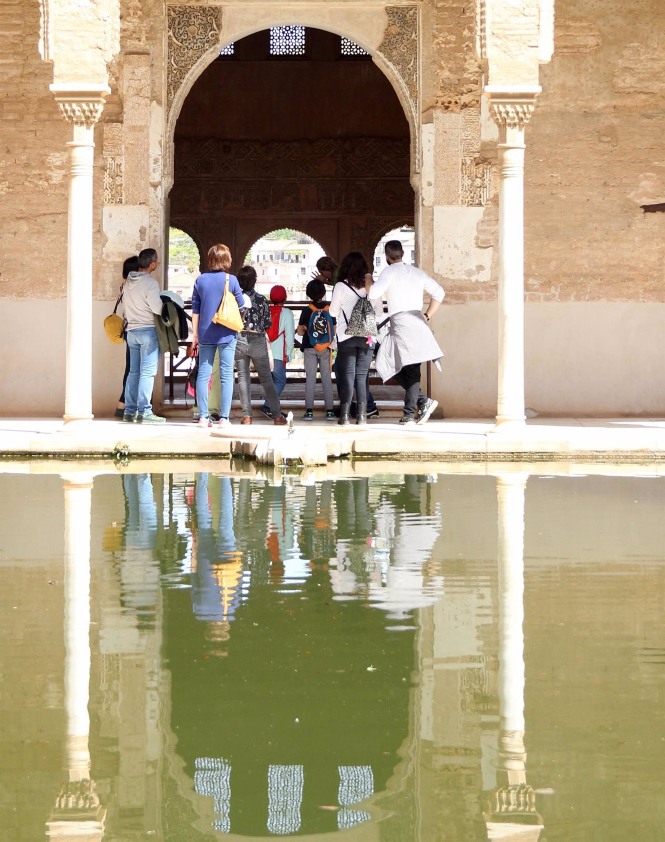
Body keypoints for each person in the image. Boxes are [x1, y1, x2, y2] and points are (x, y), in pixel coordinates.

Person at [367, 239, 444, 426]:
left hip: (401, 324)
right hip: (417, 321)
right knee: (410, 369)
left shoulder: (389, 272)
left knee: (392, 364)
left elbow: (372, 294)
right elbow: (439, 293)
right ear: (401, 253)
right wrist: (427, 315)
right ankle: (417, 406)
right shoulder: (417, 272)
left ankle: (412, 411)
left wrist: (368, 277)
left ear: (386, 256)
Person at [191, 243, 245, 428]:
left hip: (206, 332)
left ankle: (203, 417)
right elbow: (242, 304)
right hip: (227, 332)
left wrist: (195, 335)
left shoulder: (200, 280)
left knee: (203, 375)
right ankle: (224, 418)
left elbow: (195, 310)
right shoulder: (232, 280)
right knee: (226, 374)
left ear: (210, 259)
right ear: (226, 259)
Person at [329, 252, 383, 426]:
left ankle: (344, 416)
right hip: (367, 337)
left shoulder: (340, 286)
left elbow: (332, 312)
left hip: (346, 337)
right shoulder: (371, 287)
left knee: (347, 376)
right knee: (361, 376)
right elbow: (380, 312)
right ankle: (362, 416)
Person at [234, 265, 287, 426]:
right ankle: (277, 415)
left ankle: (247, 416)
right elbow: (267, 323)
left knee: (243, 378)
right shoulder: (261, 300)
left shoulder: (235, 299)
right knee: (266, 379)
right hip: (257, 339)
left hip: (240, 338)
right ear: (255, 281)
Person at [121, 248, 166, 423]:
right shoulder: (150, 283)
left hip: (131, 331)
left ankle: (130, 412)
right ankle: (145, 412)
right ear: (152, 263)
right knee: (147, 373)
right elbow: (156, 308)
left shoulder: (128, 283)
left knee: (133, 372)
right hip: (148, 330)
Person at [296, 279, 336, 421]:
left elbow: (300, 332)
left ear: (308, 294)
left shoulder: (307, 310)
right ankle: (330, 411)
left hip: (309, 346)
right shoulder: (329, 309)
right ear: (323, 293)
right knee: (326, 378)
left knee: (310, 378)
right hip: (325, 348)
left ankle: (309, 411)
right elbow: (333, 330)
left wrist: (306, 328)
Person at [260, 285, 295, 420]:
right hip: (279, 354)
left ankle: (275, 409)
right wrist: (289, 352)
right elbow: (290, 336)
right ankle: (268, 406)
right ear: (285, 298)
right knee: (280, 381)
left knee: (271, 382)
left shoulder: (266, 311)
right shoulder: (287, 313)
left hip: (264, 352)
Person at [114, 255, 139, 418]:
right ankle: (125, 404)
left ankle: (123, 404)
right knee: (135, 369)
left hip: (128, 329)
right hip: (137, 328)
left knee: (130, 368)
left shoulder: (124, 286)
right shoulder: (134, 286)